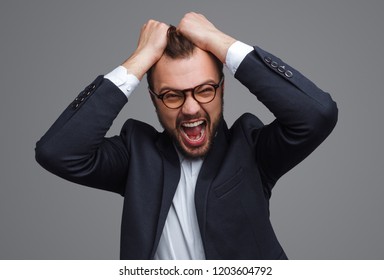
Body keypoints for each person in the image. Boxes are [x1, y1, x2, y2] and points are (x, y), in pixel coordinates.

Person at [35, 12, 338, 260]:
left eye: (205, 89)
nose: (191, 108)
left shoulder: (251, 149)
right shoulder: (135, 156)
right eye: (172, 95)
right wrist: (139, 60)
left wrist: (220, 43)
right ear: (154, 99)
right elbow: (57, 152)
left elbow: (316, 115)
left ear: (222, 89)